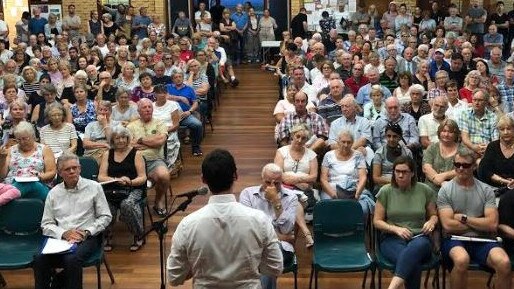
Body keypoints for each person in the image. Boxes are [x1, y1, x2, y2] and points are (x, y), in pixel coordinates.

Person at [167, 149, 283, 287]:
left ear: (203, 179)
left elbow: (174, 278)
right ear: (236, 175)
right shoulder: (259, 220)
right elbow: (276, 267)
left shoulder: (187, 225)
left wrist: (195, 268)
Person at [33, 153, 112, 289]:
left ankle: (60, 282)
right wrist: (64, 233)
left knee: (71, 259)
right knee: (39, 259)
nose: (72, 171)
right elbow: (46, 224)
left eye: (75, 168)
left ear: (80, 169)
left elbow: (105, 216)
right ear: (59, 173)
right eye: (67, 169)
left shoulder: (94, 187)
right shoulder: (54, 193)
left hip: (87, 237)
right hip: (61, 239)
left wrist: (86, 232)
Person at [437, 148, 512, 289]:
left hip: (483, 240)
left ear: (474, 166)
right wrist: (480, 220)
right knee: (461, 260)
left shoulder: (486, 190)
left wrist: (464, 218)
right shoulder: (445, 190)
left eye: (465, 165)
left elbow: (492, 224)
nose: (460, 168)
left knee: (504, 262)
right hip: (455, 239)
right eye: (457, 164)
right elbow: (448, 226)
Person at [374, 156, 438, 289]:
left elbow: (433, 215)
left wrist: (431, 222)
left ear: (413, 173)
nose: (400, 175)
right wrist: (395, 229)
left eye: (404, 172)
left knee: (414, 252)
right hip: (392, 237)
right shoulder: (385, 191)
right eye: (397, 171)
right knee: (412, 261)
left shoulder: (424, 190)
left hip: (420, 237)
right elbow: (377, 222)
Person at [239, 163, 297, 289]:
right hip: (252, 245)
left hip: (280, 247)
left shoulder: (291, 197)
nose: (272, 186)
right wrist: (281, 236)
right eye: (268, 182)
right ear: (262, 179)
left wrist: (276, 201)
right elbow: (247, 229)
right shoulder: (248, 194)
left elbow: (286, 229)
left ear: (282, 181)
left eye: (276, 183)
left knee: (267, 257)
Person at [97, 125, 147, 252]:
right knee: (106, 205)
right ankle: (107, 235)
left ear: (128, 138)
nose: (121, 141)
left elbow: (142, 178)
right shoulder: (107, 154)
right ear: (112, 140)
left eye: (123, 137)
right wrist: (115, 179)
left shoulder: (137, 154)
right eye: (117, 138)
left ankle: (138, 234)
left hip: (133, 188)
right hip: (111, 188)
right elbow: (101, 177)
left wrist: (129, 182)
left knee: (127, 204)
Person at [273, 124, 317, 248]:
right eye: (297, 136)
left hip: (304, 192)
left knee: (294, 202)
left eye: (303, 138)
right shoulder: (282, 152)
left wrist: (292, 178)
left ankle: (290, 242)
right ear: (292, 135)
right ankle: (306, 233)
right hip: (283, 189)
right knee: (294, 201)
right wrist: (301, 180)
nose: (299, 140)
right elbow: (278, 174)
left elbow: (313, 177)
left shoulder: (311, 155)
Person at [127, 99, 169, 217]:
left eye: (149, 107)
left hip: (155, 160)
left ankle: (158, 201)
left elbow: (160, 141)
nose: (147, 109)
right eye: (144, 107)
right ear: (139, 111)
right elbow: (129, 145)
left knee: (164, 176)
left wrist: (140, 140)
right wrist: (152, 141)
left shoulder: (160, 123)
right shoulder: (131, 126)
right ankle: (133, 203)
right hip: (135, 162)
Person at [320, 130, 375, 216]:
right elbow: (323, 179)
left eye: (349, 142)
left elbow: (363, 177)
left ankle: (358, 229)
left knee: (362, 210)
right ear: (338, 142)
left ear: (352, 143)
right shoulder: (328, 155)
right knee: (328, 208)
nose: (346, 145)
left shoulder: (358, 155)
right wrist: (333, 195)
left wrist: (357, 194)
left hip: (354, 190)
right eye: (343, 142)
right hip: (332, 190)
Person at [0, 121, 56, 201]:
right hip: (13, 183)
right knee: (19, 184)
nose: (22, 142)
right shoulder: (10, 150)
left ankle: (5, 197)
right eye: (19, 139)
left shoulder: (44, 149)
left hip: (38, 185)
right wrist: (2, 158)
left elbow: (52, 172)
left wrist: (40, 177)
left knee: (30, 183)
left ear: (33, 136)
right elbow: (2, 176)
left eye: (25, 139)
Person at [372, 123, 413, 192]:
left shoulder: (407, 153)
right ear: (385, 136)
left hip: (404, 185)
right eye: (389, 136)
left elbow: (412, 173)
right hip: (384, 187)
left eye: (395, 136)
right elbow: (376, 178)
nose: (391, 139)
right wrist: (395, 181)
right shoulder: (379, 153)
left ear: (400, 137)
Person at [478, 115, 514, 187]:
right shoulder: (492, 146)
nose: (506, 132)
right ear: (498, 131)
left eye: (509, 129)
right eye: (502, 129)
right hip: (495, 187)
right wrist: (503, 181)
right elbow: (484, 170)